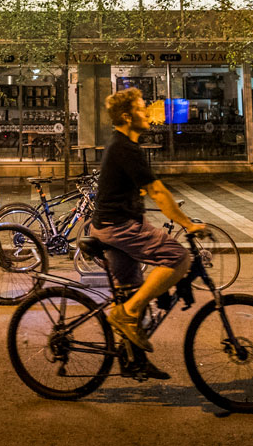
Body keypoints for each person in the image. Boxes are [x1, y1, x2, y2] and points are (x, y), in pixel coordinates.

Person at [90, 87, 204, 371]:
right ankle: (125, 314)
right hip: (118, 228)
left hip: (113, 225)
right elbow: (157, 191)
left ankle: (133, 361)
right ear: (127, 117)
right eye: (142, 109)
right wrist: (188, 224)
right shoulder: (125, 149)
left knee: (132, 290)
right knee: (178, 258)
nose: (148, 114)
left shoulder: (123, 145)